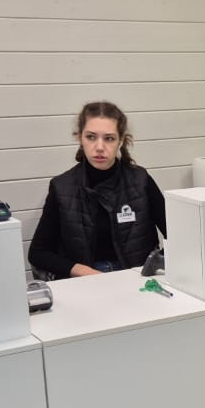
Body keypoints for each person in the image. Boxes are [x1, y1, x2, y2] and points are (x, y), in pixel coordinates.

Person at [28, 101, 166, 278]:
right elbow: (38, 253)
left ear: (120, 141)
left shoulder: (140, 180)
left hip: (136, 279)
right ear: (80, 138)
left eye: (109, 138)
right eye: (91, 137)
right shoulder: (62, 187)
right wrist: (85, 272)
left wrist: (154, 265)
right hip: (87, 280)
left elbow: (178, 234)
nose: (99, 147)